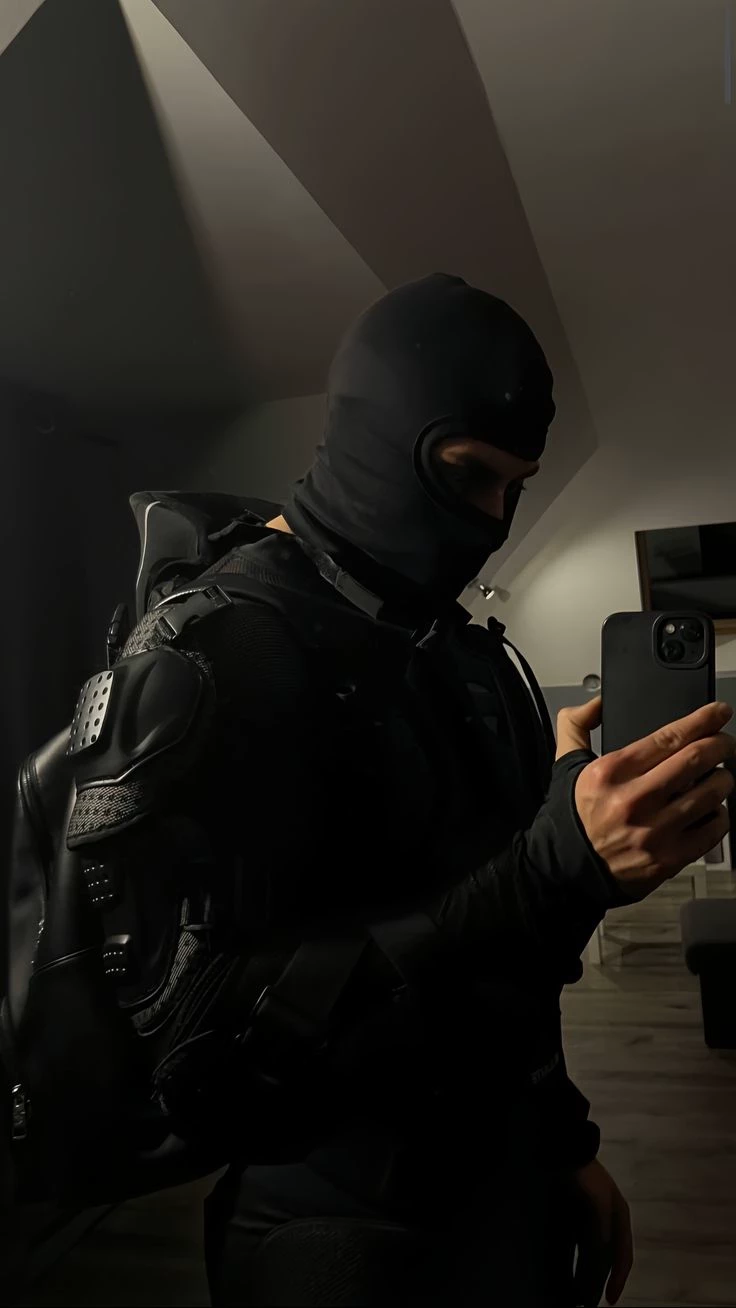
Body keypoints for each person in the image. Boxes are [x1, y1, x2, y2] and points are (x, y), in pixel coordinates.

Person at [201, 274, 734, 1306]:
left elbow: (494, 970)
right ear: (378, 435)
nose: (492, 518)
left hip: (501, 1186)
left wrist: (561, 1139)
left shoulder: (450, 652)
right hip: (341, 1235)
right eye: (467, 474)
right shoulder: (218, 655)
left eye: (516, 487)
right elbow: (215, 1055)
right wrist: (551, 870)